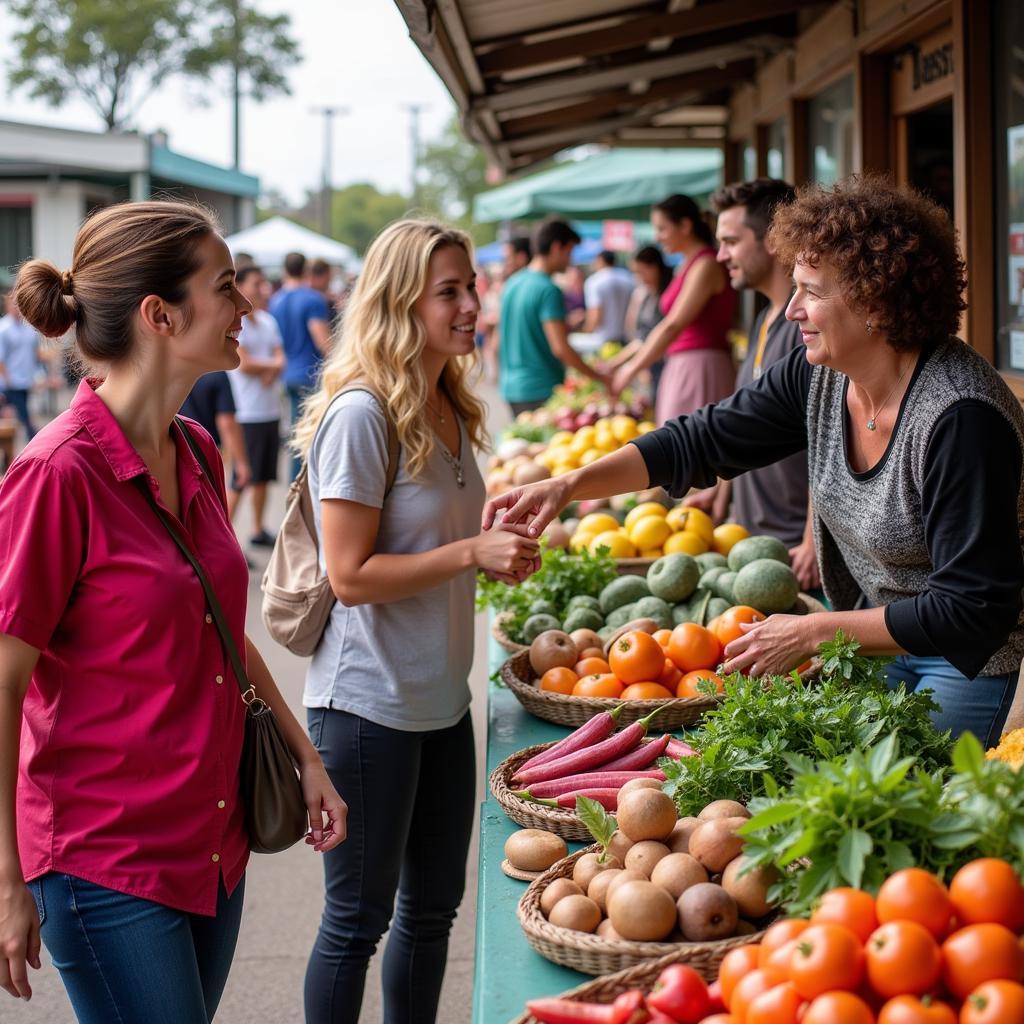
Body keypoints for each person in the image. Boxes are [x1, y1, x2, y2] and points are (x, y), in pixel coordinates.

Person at [485, 176, 1024, 748]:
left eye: (811, 291)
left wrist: (817, 631)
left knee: (921, 806)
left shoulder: (960, 418)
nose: (791, 310)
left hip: (958, 659)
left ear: (875, 299)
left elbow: (972, 609)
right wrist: (568, 485)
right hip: (871, 629)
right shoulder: (819, 374)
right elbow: (703, 439)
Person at [0, 200, 346, 1018]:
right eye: (225, 287)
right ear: (160, 314)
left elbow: (220, 634)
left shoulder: (193, 449)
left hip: (212, 840)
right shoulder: (56, 477)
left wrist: (305, 755)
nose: (247, 307)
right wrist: (7, 879)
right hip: (103, 858)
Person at [293, 218, 538, 1024]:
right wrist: (472, 550)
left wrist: (487, 533)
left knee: (433, 912)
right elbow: (350, 576)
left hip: (441, 701)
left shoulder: (448, 402)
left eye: (472, 285)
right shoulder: (364, 414)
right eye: (452, 291)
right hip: (367, 707)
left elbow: (437, 534)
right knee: (356, 923)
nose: (474, 303)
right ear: (402, 302)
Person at [683, 178, 819, 589]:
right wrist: (721, 497)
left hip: (795, 553)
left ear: (774, 241)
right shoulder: (762, 321)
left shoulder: (808, 332)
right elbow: (743, 424)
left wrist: (814, 540)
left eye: (731, 241)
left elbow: (828, 438)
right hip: (753, 541)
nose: (720, 254)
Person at [611, 194, 736, 424]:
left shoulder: (705, 264)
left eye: (662, 229)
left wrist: (630, 369)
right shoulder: (689, 264)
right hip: (683, 364)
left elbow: (673, 325)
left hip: (700, 367)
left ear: (685, 226)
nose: (657, 237)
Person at [498, 218, 608, 417]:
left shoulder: (512, 284)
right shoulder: (549, 289)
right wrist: (598, 377)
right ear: (557, 247)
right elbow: (560, 348)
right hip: (541, 388)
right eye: (570, 251)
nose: (571, 260)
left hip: (511, 387)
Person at [228, 264, 285, 546]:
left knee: (263, 476)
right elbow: (245, 364)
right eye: (257, 284)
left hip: (269, 410)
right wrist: (270, 366)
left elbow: (280, 359)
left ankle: (258, 528)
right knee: (242, 476)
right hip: (246, 412)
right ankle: (224, 536)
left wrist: (270, 367)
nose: (263, 289)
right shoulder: (237, 324)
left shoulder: (268, 322)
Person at [269, 251, 331, 480]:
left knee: (296, 433)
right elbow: (321, 339)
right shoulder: (313, 298)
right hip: (310, 375)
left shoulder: (276, 300)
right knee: (309, 439)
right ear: (305, 270)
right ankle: (300, 490)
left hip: (286, 374)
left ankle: (296, 487)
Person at [179, 370, 252, 523]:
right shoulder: (218, 375)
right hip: (205, 451)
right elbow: (227, 423)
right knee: (211, 508)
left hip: (176, 445)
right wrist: (241, 462)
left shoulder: (175, 369)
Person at [611, 245, 674, 397]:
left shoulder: (668, 295)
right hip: (650, 364)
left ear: (654, 267)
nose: (638, 277)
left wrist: (632, 366)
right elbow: (641, 338)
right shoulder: (645, 294)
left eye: (640, 271)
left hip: (667, 365)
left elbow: (656, 337)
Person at [0, 294, 40, 441]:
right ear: (7, 306)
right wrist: (7, 380)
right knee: (25, 418)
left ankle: (8, 456)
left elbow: (35, 353)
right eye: (13, 305)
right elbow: (1, 358)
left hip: (26, 380)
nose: (16, 309)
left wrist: (38, 375)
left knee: (11, 419)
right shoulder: (3, 329)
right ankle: (34, 442)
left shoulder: (29, 327)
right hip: (10, 383)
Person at [583, 250, 635, 345]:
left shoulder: (594, 281)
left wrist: (586, 332)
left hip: (603, 340)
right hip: (628, 338)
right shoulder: (629, 278)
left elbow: (595, 316)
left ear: (600, 260)